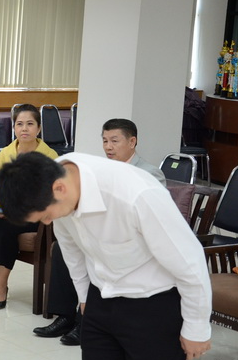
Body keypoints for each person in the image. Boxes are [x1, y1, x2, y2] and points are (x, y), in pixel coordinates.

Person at [0, 151, 212, 360]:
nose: (48, 221)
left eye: (45, 215)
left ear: (60, 188)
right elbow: (71, 249)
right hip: (100, 299)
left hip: (154, 307)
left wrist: (197, 327)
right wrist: (84, 297)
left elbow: (189, 261)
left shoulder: (136, 194)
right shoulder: (50, 183)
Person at [34, 118, 166, 345]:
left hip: (131, 242)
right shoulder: (100, 170)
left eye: (114, 141)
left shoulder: (149, 173)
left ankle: (84, 321)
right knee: (62, 250)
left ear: (132, 142)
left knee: (93, 254)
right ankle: (64, 316)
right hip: (101, 232)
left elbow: (151, 218)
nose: (108, 147)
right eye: (105, 141)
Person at [0, 104, 59, 309]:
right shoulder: (6, 153)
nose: (24, 129)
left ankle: (1, 284)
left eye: (30, 124)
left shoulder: (50, 156)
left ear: (38, 128)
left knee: (5, 231)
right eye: (19, 124)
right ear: (14, 128)